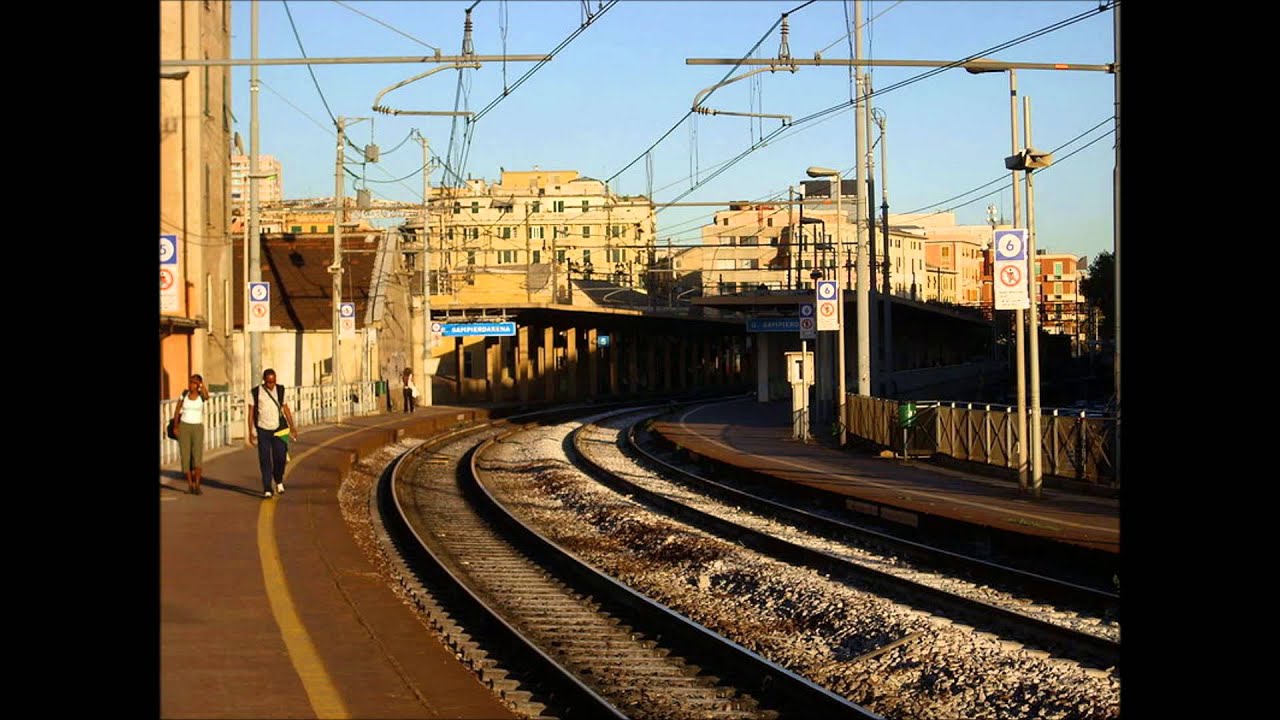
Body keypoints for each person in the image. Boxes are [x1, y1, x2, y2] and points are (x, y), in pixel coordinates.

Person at [247, 368, 299, 499]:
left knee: (280, 457)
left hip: (280, 428)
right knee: (265, 459)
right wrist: (250, 431)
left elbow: (285, 408)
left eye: (274, 382)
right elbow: (251, 412)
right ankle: (267, 487)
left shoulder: (281, 390)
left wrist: (292, 426)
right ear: (264, 381)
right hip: (263, 429)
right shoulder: (255, 392)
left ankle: (278, 479)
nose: (272, 385)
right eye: (269, 382)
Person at [172, 374, 210, 495]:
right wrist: (175, 426)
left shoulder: (201, 396)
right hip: (184, 426)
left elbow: (207, 396)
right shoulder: (184, 394)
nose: (191, 385)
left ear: (198, 384)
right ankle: (190, 485)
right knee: (185, 456)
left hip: (197, 427)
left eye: (194, 383)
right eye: (190, 382)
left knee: (197, 456)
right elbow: (178, 410)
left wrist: (201, 385)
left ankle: (197, 484)